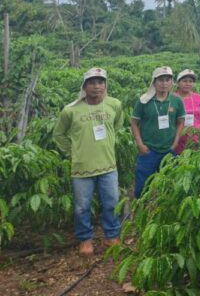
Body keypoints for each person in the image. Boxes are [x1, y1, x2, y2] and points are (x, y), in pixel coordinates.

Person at [53, 67, 123, 256]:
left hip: (108, 165)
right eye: (92, 83)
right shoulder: (71, 110)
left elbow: (116, 126)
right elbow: (58, 134)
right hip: (82, 168)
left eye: (100, 82)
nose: (96, 87)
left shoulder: (114, 105)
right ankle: (85, 239)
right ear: (84, 86)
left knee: (111, 202)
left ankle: (112, 236)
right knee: (82, 206)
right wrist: (72, 153)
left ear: (105, 85)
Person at [131, 67, 186, 198]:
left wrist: (176, 141)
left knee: (168, 186)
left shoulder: (176, 100)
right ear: (154, 82)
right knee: (142, 188)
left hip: (168, 150)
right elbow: (134, 123)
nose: (164, 83)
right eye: (160, 80)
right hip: (148, 150)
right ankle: (139, 212)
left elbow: (180, 121)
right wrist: (140, 144)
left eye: (167, 80)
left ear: (172, 83)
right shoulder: (144, 100)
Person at [174, 69, 200, 155]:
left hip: (195, 141)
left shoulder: (198, 98)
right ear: (178, 83)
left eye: (191, 81)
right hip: (176, 142)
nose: (188, 84)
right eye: (184, 81)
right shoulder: (172, 98)